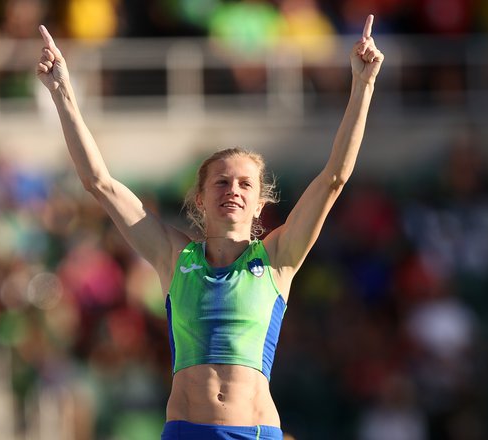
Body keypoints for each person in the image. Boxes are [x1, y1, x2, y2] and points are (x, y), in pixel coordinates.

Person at [36, 14, 383, 440]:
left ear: (260, 203)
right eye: (221, 181)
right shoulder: (173, 257)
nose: (232, 190)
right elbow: (99, 183)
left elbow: (334, 177)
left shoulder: (277, 260)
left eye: (245, 184)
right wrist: (62, 93)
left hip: (253, 432)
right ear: (200, 198)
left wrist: (362, 86)